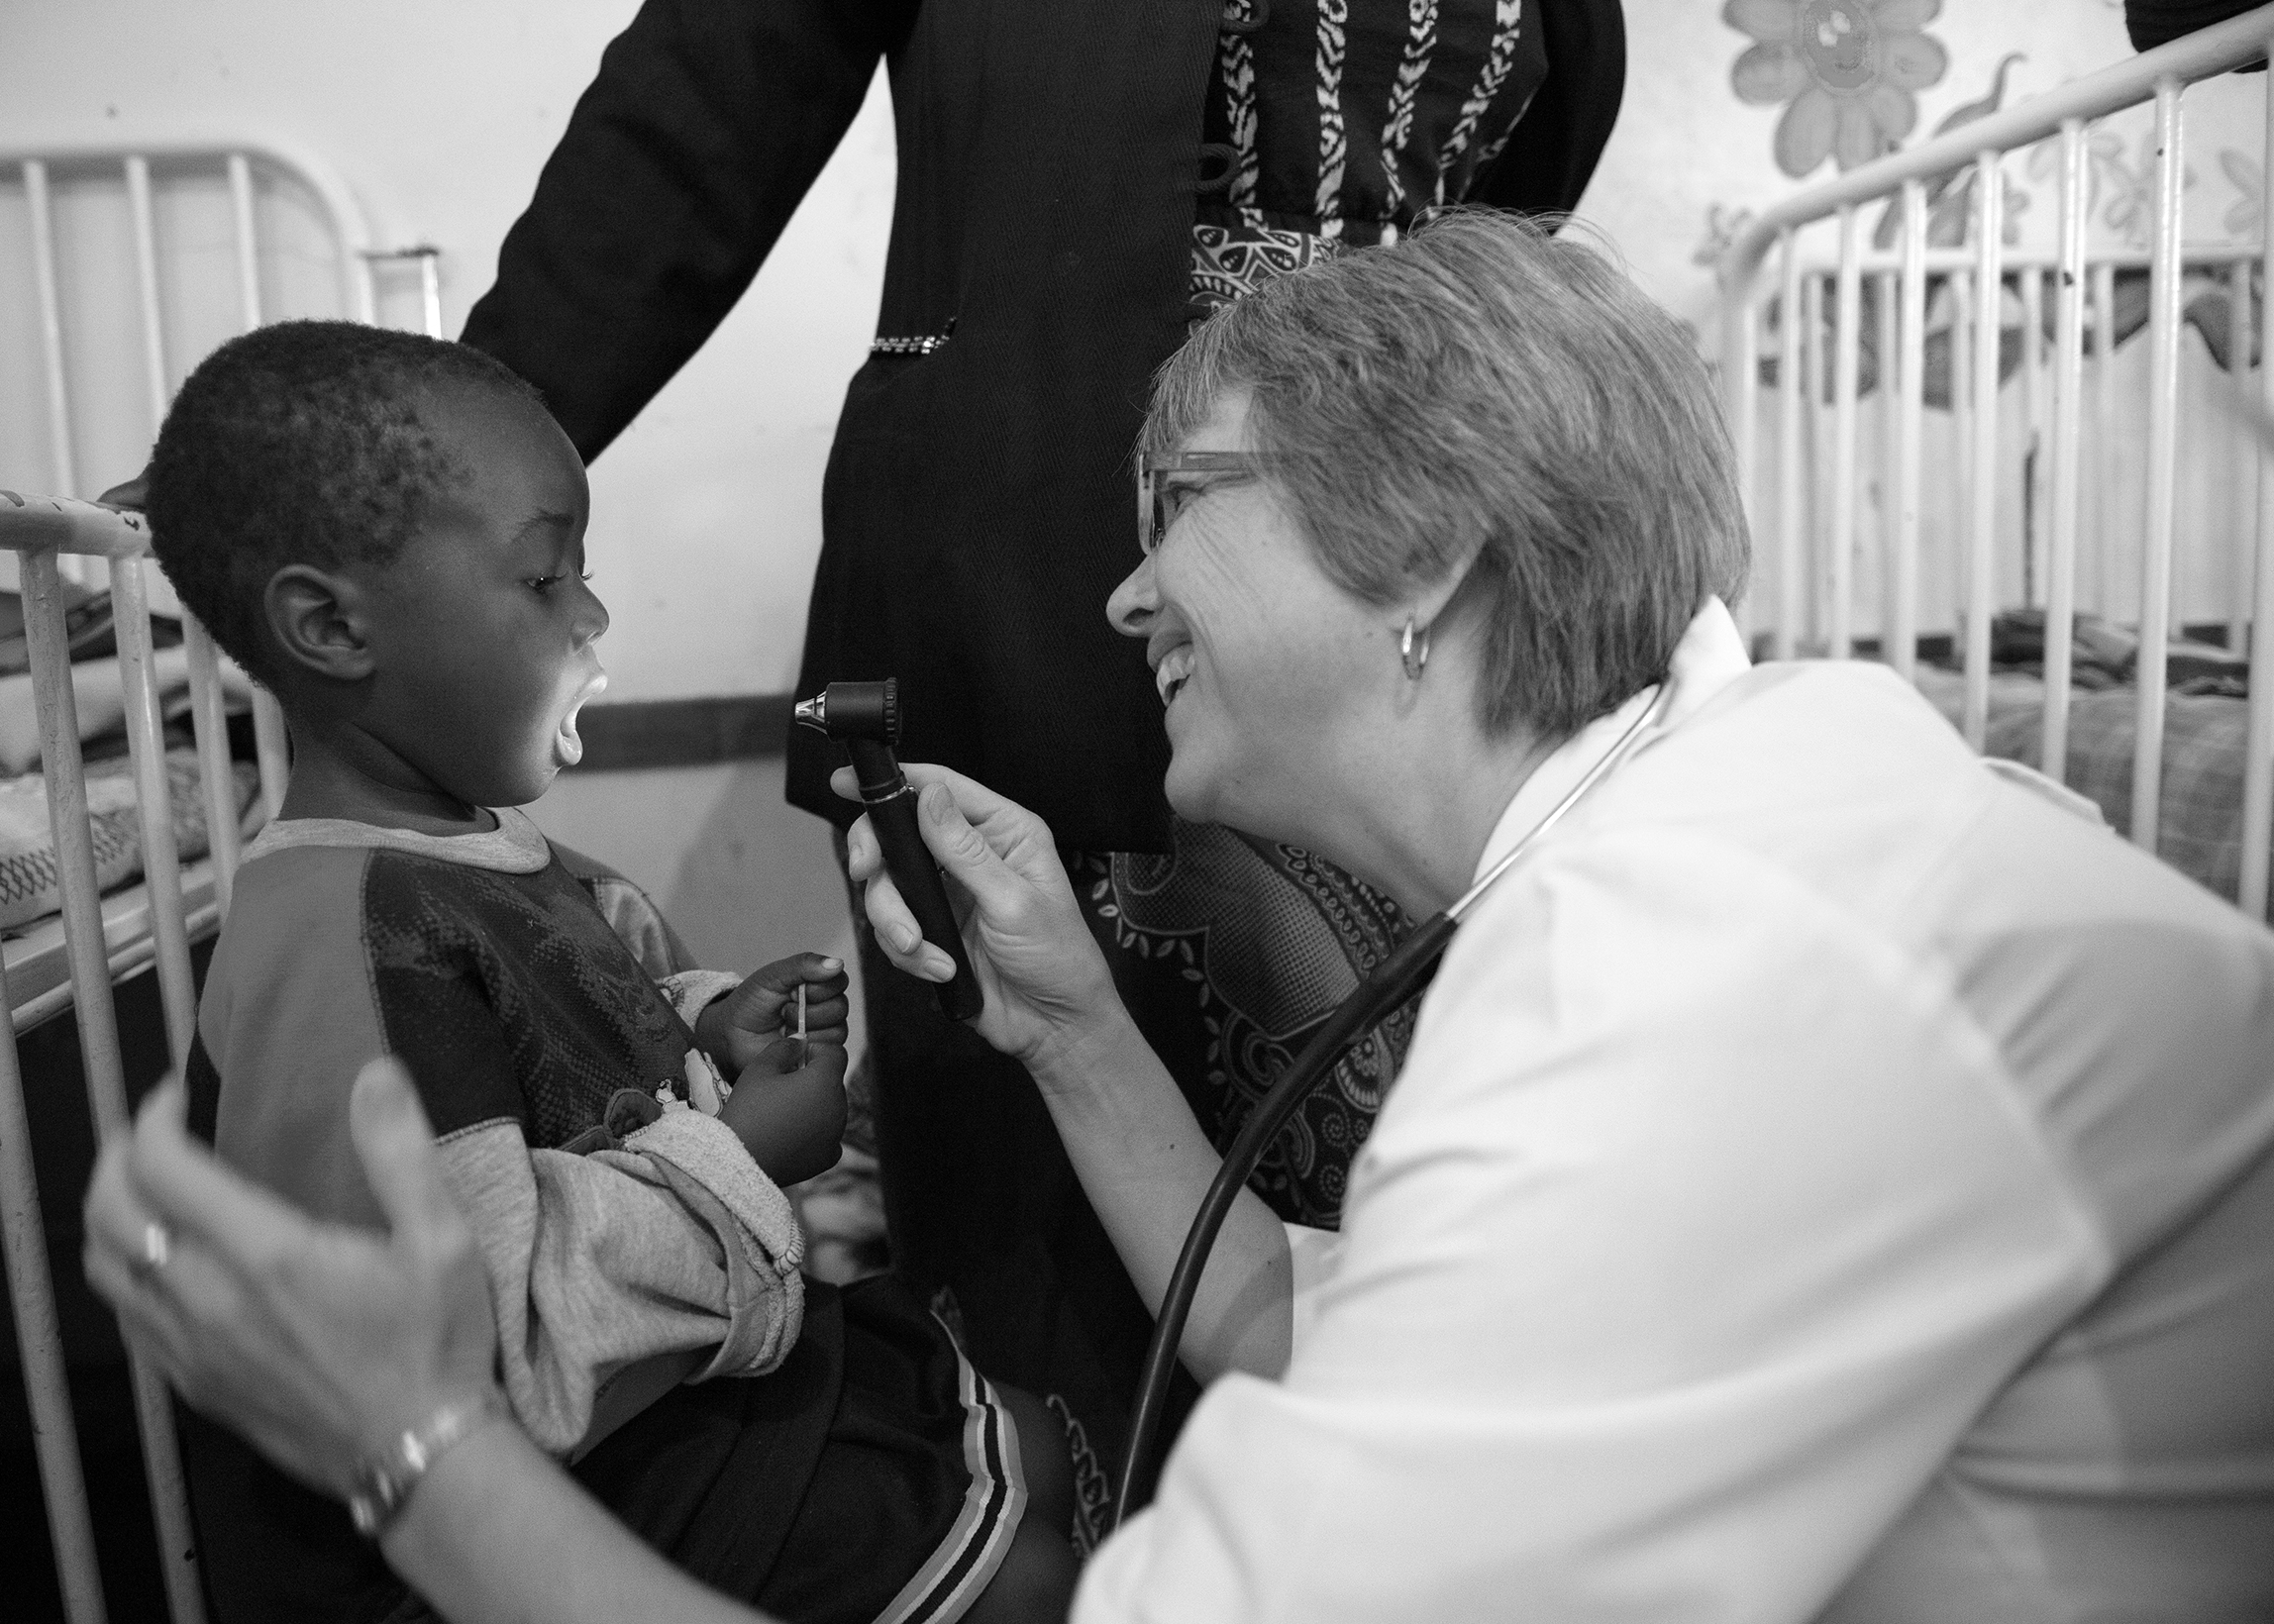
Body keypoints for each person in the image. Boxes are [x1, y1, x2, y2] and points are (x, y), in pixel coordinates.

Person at [92, 213, 2274, 1621]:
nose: (1124, 591)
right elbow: (1308, 1334)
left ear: (1419, 552)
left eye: (1176, 513)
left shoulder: (1695, 974)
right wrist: (1059, 1020)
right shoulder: (1707, 849)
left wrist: (411, 1445)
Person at [456, 0, 1629, 1514]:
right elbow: (699, 109)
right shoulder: (1135, 581)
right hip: (1025, 545)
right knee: (1044, 1233)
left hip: (1436, 569)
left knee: (1446, 1197)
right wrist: (412, 479)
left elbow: (1525, 174)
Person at [141, 320, 1077, 1624]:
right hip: (508, 1509)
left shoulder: (496, 850)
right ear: (328, 626)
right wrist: (745, 1152)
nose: (593, 616)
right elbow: (473, 1347)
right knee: (1023, 1577)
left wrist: (721, 1027)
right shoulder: (340, 945)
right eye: (540, 582)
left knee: (1033, 1440)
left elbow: (600, 1025)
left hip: (661, 1396)